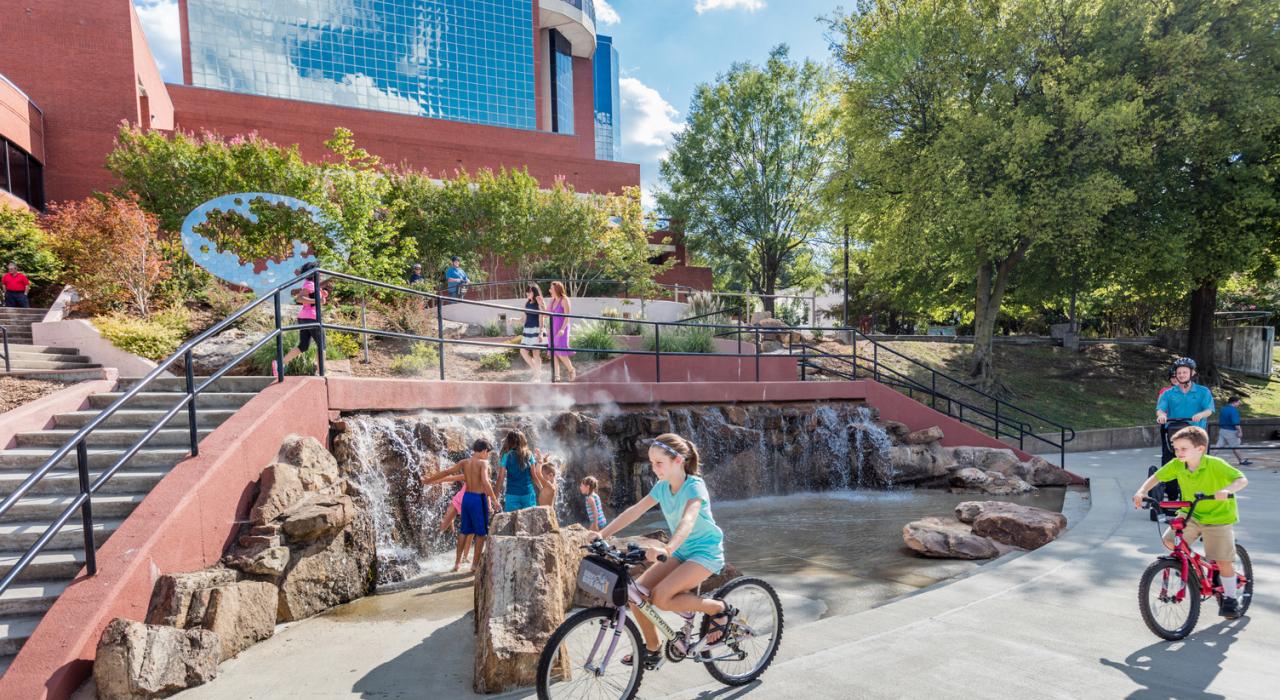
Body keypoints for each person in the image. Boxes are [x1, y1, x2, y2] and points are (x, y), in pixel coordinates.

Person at [592, 433, 735, 669]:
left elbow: (688, 521)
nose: (654, 468)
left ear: (678, 460)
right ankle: (652, 648)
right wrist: (602, 534)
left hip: (704, 553)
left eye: (659, 463)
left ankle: (719, 609)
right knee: (636, 594)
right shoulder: (662, 487)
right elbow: (634, 511)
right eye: (651, 463)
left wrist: (667, 548)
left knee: (660, 598)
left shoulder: (694, 486)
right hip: (681, 552)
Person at [1132, 426, 1249, 618]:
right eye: (1176, 449)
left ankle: (1230, 598)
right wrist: (1142, 491)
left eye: (1183, 449)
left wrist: (1227, 490)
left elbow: (1241, 479)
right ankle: (1191, 567)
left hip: (1217, 517)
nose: (1178, 453)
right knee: (1170, 540)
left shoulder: (1214, 464)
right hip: (1191, 513)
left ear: (1200, 449)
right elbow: (1157, 477)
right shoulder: (1177, 464)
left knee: (1223, 560)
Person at [423, 439, 498, 573]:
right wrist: (494, 500)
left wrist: (428, 480)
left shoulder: (464, 462)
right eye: (488, 453)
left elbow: (447, 472)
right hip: (478, 498)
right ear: (484, 451)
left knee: (464, 531)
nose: (488, 456)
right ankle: (474, 565)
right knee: (481, 534)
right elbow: (486, 482)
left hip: (466, 498)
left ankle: (457, 563)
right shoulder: (483, 463)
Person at [271, 262, 328, 379]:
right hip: (312, 318)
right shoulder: (310, 284)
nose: (321, 274)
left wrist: (323, 297)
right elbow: (300, 298)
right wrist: (317, 300)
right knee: (322, 345)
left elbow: (317, 302)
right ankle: (320, 371)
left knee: (303, 346)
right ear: (314, 272)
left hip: (304, 317)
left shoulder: (313, 284)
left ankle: (280, 363)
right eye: (319, 271)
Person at [420, 467, 472, 572]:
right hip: (458, 502)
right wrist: (430, 481)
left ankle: (465, 557)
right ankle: (433, 534)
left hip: (469, 504)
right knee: (443, 526)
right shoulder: (468, 476)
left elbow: (486, 493)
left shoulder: (483, 479)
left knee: (470, 532)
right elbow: (448, 478)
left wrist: (489, 504)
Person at [1157, 357, 1214, 430]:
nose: (1181, 375)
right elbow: (1160, 409)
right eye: (1179, 373)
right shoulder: (1168, 393)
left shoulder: (1204, 391)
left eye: (1184, 372)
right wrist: (1161, 415)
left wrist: (1201, 415)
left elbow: (1209, 410)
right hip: (1174, 431)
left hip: (1196, 431)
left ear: (1192, 373)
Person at [496, 430, 538, 512]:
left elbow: (501, 478)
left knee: (512, 518)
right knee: (529, 518)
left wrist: (495, 497)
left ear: (509, 441)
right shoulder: (529, 455)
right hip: (528, 493)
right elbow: (534, 476)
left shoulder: (506, 456)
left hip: (512, 494)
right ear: (523, 441)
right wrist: (542, 488)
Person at [547, 281, 576, 382]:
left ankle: (571, 370)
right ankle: (557, 376)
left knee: (561, 351)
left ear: (557, 289)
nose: (550, 290)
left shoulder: (564, 300)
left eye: (551, 288)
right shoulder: (552, 300)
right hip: (552, 329)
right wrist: (541, 304)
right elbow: (546, 314)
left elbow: (567, 316)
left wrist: (562, 329)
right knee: (553, 353)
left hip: (562, 329)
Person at [518, 283, 547, 381]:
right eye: (527, 292)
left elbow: (544, 316)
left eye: (529, 292)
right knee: (523, 351)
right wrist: (513, 320)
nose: (527, 294)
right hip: (527, 330)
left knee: (535, 353)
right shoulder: (527, 303)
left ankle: (537, 376)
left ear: (534, 292)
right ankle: (537, 372)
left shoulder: (540, 302)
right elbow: (524, 318)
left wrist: (541, 333)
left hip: (536, 329)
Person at [1215, 397, 1252, 466]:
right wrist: (1240, 431)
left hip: (1222, 430)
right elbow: (1236, 423)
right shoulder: (1233, 411)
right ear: (1234, 402)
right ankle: (1242, 460)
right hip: (1231, 431)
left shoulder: (1223, 409)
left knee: (1218, 446)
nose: (1239, 404)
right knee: (1236, 446)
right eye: (1238, 402)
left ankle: (1209, 457)